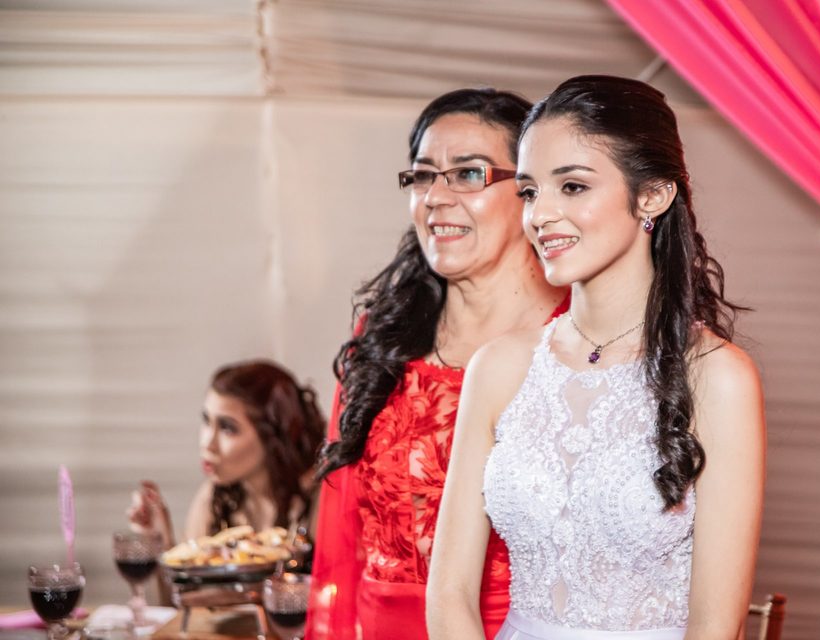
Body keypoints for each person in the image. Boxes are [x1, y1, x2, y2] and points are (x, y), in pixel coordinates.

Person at [427, 75, 766, 640]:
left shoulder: (717, 376)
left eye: (573, 186)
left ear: (652, 196)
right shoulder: (500, 367)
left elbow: (715, 626)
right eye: (530, 191)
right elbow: (450, 593)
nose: (540, 215)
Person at [304, 88, 569, 640]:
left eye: (468, 174)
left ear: (529, 191)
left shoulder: (575, 340)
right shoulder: (385, 337)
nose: (435, 198)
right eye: (424, 176)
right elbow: (342, 538)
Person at [128, 359, 326, 548]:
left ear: (272, 436)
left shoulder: (321, 500)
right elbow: (193, 571)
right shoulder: (216, 498)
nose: (207, 444)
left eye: (227, 428)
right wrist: (160, 540)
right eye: (207, 421)